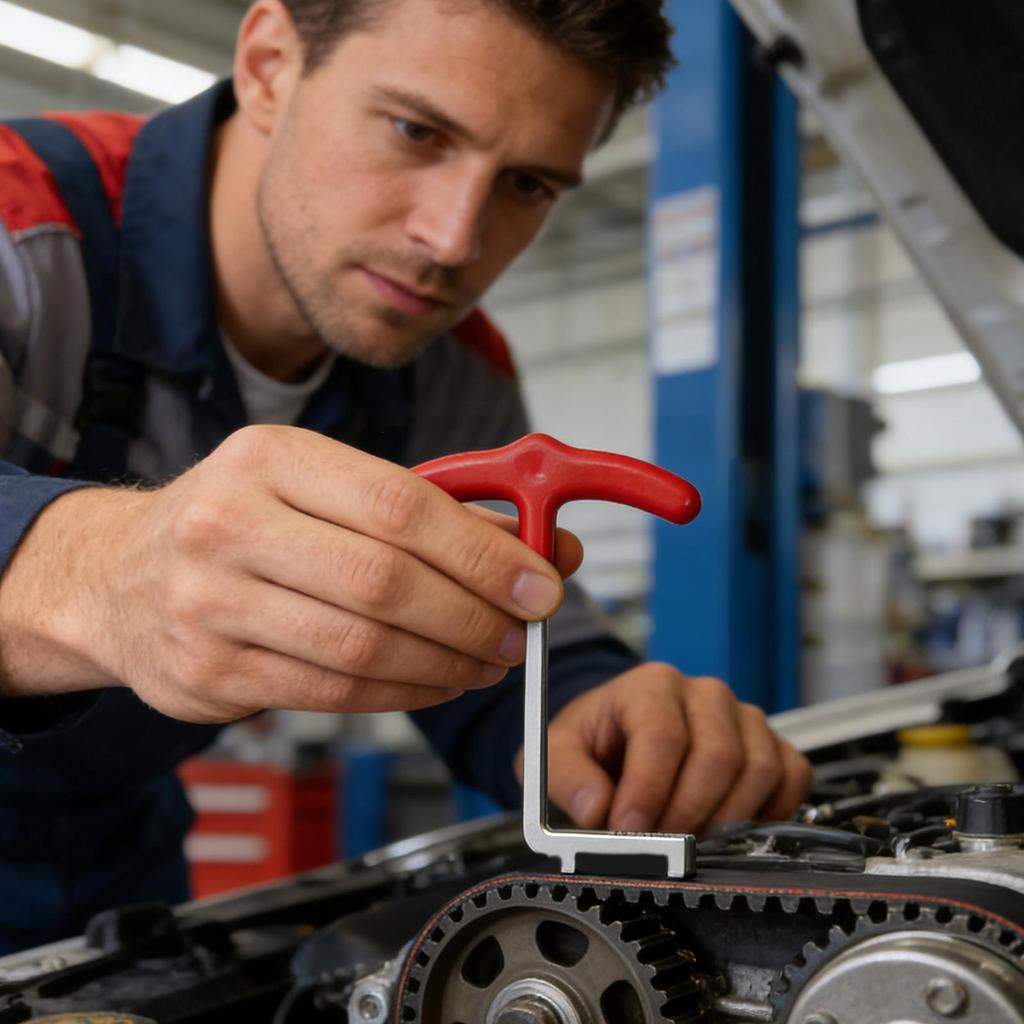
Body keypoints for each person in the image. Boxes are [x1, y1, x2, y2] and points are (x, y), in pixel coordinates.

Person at [0, 0, 812, 951]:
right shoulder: (23, 232)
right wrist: (98, 571)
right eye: (416, 131)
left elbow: (490, 644)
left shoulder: (450, 367)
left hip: (105, 885)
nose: (454, 240)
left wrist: (592, 718)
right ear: (268, 66)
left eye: (526, 183)